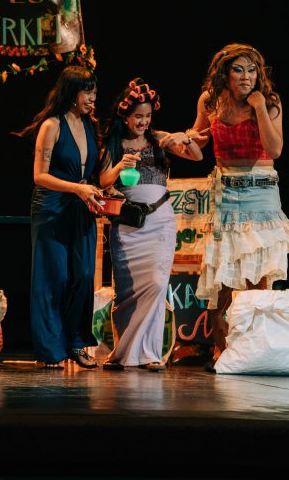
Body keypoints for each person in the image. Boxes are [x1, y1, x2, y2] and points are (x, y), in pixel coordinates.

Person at [186, 43, 289, 369]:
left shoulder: (270, 102)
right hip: (227, 194)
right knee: (223, 275)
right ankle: (222, 351)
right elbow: (197, 141)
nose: (246, 77)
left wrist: (260, 108)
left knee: (258, 276)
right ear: (226, 73)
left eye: (251, 70)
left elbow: (275, 150)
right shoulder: (210, 100)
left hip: (261, 194)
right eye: (238, 70)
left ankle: (253, 350)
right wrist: (184, 139)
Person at [98, 79, 202, 371]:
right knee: (126, 291)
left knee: (156, 285)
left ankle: (150, 354)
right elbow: (104, 180)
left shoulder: (158, 140)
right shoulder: (114, 143)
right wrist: (120, 166)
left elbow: (197, 156)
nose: (143, 122)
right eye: (138, 116)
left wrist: (185, 138)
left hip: (159, 222)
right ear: (125, 116)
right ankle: (123, 353)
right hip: (128, 224)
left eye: (147, 116)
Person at [19, 65, 103, 369]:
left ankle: (77, 342)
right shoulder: (51, 125)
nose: (92, 98)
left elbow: (92, 172)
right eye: (86, 92)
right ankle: (51, 350)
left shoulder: (90, 125)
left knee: (84, 275)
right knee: (55, 277)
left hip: (81, 206)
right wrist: (77, 188)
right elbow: (39, 176)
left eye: (94, 92)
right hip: (52, 206)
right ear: (70, 92)